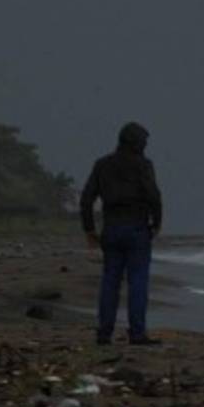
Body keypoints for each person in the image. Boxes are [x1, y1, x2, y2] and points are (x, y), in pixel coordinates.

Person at [79, 122, 163, 346]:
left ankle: (104, 333)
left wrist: (89, 229)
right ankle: (136, 333)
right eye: (143, 141)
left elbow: (87, 199)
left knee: (110, 281)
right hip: (136, 227)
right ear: (135, 142)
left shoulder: (102, 165)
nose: (145, 145)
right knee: (137, 282)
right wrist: (157, 223)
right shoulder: (143, 165)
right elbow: (154, 195)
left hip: (111, 228)